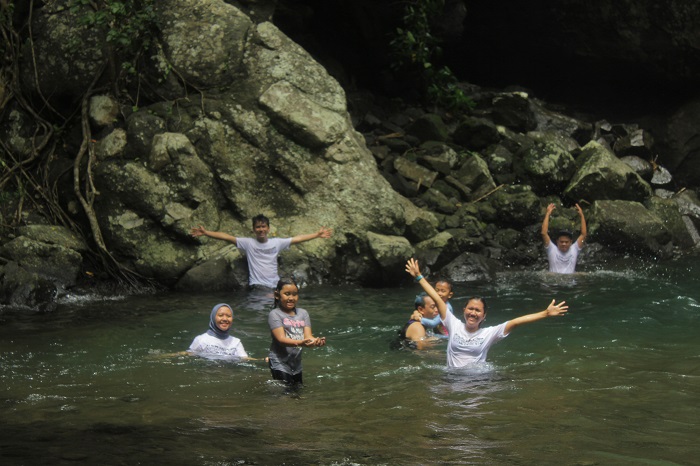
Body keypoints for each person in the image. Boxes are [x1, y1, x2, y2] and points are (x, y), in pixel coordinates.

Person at [405, 258, 569, 367]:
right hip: (451, 378)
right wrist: (419, 276)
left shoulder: (490, 333)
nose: (473, 313)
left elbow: (516, 321)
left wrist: (545, 314)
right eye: (470, 309)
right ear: (464, 310)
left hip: (479, 381)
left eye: (477, 310)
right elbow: (437, 298)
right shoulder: (453, 324)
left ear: (484, 316)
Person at [190, 214, 333, 289]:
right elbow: (227, 237)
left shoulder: (276, 243)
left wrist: (317, 235)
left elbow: (297, 239)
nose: (261, 230)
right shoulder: (248, 243)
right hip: (258, 287)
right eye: (258, 227)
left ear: (268, 228)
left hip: (275, 286)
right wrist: (206, 232)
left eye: (263, 226)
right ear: (254, 229)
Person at [267, 277, 326, 386]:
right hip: (279, 362)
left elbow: (308, 336)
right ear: (277, 295)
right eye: (287, 294)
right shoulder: (275, 314)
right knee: (286, 394)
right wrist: (301, 343)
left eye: (294, 294)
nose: (291, 298)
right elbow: (281, 340)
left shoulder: (303, 313)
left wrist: (316, 342)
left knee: (298, 392)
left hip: (296, 363)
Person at [541, 203, 587, 274]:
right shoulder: (551, 249)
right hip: (554, 283)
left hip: (570, 282)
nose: (564, 244)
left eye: (566, 242)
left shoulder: (574, 249)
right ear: (557, 242)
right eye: (561, 242)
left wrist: (582, 215)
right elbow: (544, 233)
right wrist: (547, 214)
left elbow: (583, 234)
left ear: (570, 242)